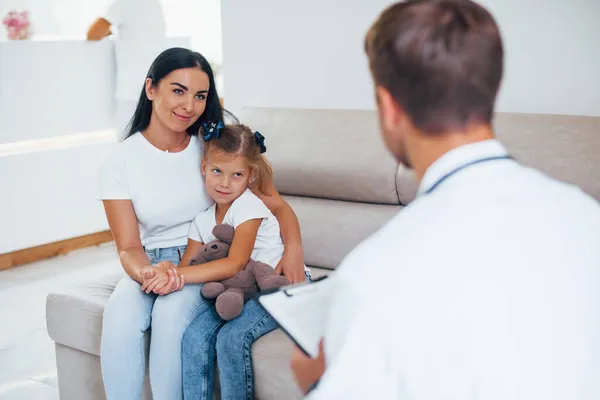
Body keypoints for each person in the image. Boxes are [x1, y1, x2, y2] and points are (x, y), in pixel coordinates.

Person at [290, 0, 600, 399]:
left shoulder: (377, 272)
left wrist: (317, 383)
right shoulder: (586, 217)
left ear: (389, 107)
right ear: (490, 88)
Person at [98, 47, 306, 400]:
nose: (189, 106)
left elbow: (277, 206)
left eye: (200, 96)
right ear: (151, 89)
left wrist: (295, 250)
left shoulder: (213, 149)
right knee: (120, 315)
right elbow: (128, 247)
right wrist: (149, 273)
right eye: (178, 90)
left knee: (169, 314)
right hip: (153, 262)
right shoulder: (120, 160)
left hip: (207, 260)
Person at [142, 123, 310, 400]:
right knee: (195, 337)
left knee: (233, 338)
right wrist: (166, 271)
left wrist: (179, 276)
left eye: (236, 175)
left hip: (276, 288)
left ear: (249, 176)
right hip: (238, 294)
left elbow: (235, 263)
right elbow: (190, 267)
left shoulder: (249, 206)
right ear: (204, 167)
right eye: (217, 171)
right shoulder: (202, 220)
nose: (224, 183)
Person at [87, 0, 167, 139]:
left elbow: (93, 33)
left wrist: (109, 32)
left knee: (127, 146)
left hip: (132, 92)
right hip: (156, 87)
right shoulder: (154, 4)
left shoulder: (122, 3)